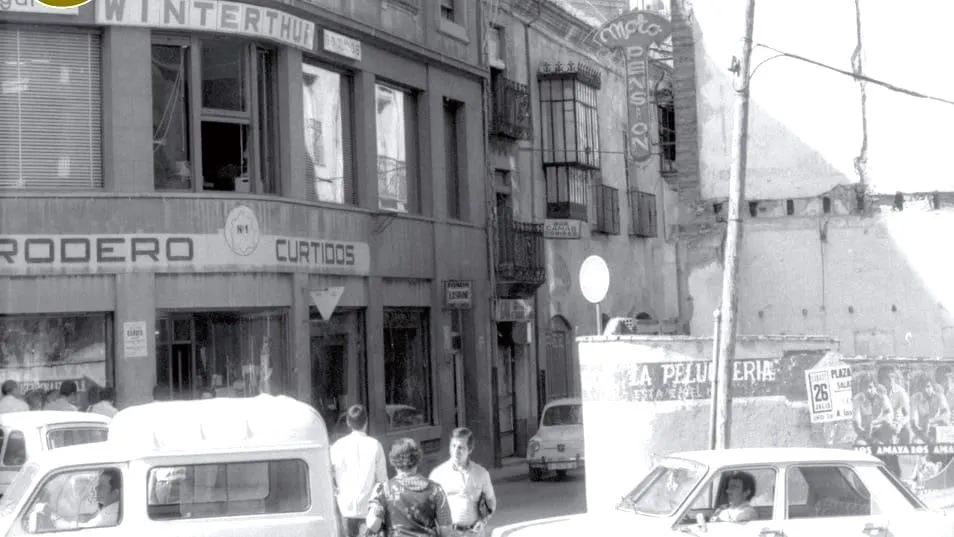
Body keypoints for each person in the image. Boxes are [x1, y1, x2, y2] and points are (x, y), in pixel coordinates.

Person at [366, 438, 453, 537]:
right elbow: (446, 530)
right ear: (417, 459)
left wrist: (376, 505)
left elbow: (373, 525)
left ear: (393, 461)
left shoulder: (383, 490)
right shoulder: (436, 490)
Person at [330, 404, 387, 537]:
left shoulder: (337, 446)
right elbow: (382, 481)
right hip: (368, 511)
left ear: (348, 423)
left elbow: (330, 476)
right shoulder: (375, 445)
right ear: (366, 421)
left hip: (345, 508)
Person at [429, 428, 496, 536]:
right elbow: (429, 507)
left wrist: (484, 521)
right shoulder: (438, 474)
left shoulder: (481, 473)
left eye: (460, 447)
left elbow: (491, 501)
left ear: (470, 449)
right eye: (453, 446)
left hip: (475, 533)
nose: (456, 451)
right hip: (449, 534)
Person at [42, 468, 122, 529]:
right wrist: (62, 516)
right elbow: (89, 518)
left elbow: (84, 529)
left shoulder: (111, 517)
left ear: (115, 493)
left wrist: (57, 522)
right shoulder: (108, 508)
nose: (96, 488)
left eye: (101, 486)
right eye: (98, 483)